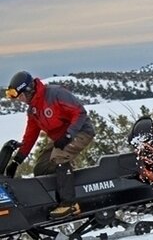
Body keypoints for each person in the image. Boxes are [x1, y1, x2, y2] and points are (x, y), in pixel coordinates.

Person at [4, 71, 95, 219]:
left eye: (20, 96)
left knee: (59, 158)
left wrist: (68, 135)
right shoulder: (33, 110)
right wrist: (17, 160)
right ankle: (55, 199)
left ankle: (69, 204)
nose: (20, 100)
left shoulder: (55, 94)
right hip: (60, 138)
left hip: (80, 132)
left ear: (28, 90)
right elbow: (30, 135)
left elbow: (80, 113)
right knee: (41, 168)